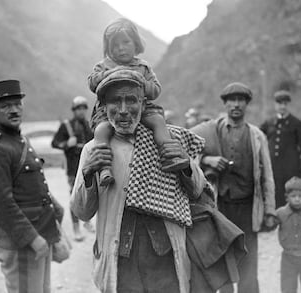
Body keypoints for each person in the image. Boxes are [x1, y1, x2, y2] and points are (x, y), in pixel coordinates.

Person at [71, 69, 211, 292]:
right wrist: (89, 174)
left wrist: (185, 164)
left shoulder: (166, 140)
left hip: (165, 260)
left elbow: (197, 190)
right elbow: (81, 212)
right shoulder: (94, 150)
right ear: (104, 107)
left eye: (131, 100)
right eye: (116, 101)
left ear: (143, 105)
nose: (124, 110)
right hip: (120, 262)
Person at [0, 80, 63, 293]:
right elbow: (1, 203)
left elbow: (33, 185)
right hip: (20, 242)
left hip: (39, 232)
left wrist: (56, 213)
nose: (14, 110)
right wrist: (32, 239)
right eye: (5, 106)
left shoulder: (20, 141)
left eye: (17, 104)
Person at [191, 82, 276, 293]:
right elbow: (188, 155)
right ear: (225, 104)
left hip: (247, 207)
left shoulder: (257, 136)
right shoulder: (211, 130)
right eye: (232, 100)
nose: (236, 105)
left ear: (247, 104)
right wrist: (208, 160)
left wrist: (270, 210)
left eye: (241, 100)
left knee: (248, 262)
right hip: (221, 208)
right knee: (223, 262)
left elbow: (267, 177)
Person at [88, 18, 188, 187]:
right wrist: (108, 75)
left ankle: (169, 156)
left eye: (125, 42)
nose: (121, 48)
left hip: (142, 107)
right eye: (115, 45)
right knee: (102, 129)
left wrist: (142, 81)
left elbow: (155, 90)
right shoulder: (103, 66)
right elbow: (92, 83)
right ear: (108, 48)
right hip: (107, 112)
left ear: (135, 43)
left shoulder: (143, 67)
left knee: (158, 121)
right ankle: (104, 167)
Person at [52, 96, 94, 241]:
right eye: (78, 109)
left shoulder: (89, 126)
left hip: (88, 167)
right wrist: (66, 144)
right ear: (74, 110)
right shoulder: (66, 126)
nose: (81, 111)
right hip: (72, 168)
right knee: (75, 197)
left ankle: (87, 222)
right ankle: (76, 228)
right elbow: (55, 142)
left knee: (89, 195)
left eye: (83, 108)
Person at [260, 90, 301, 208]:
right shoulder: (269, 122)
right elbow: (258, 138)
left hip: (291, 169)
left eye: (285, 104)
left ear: (288, 105)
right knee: (274, 197)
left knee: (293, 196)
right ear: (275, 104)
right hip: (273, 168)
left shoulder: (297, 124)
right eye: (279, 103)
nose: (282, 106)